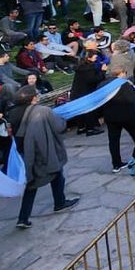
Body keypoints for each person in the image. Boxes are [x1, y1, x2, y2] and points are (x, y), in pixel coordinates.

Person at [14, 87, 80, 228]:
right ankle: (60, 203)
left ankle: (23, 218)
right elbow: (58, 126)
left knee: (32, 184)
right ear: (33, 98)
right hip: (44, 150)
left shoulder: (13, 113)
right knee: (56, 173)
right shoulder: (42, 111)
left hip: (24, 153)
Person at [102, 80, 135, 173]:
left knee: (113, 141)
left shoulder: (103, 84)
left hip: (111, 117)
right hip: (127, 116)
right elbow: (132, 99)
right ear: (121, 73)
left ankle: (116, 164)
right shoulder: (125, 84)